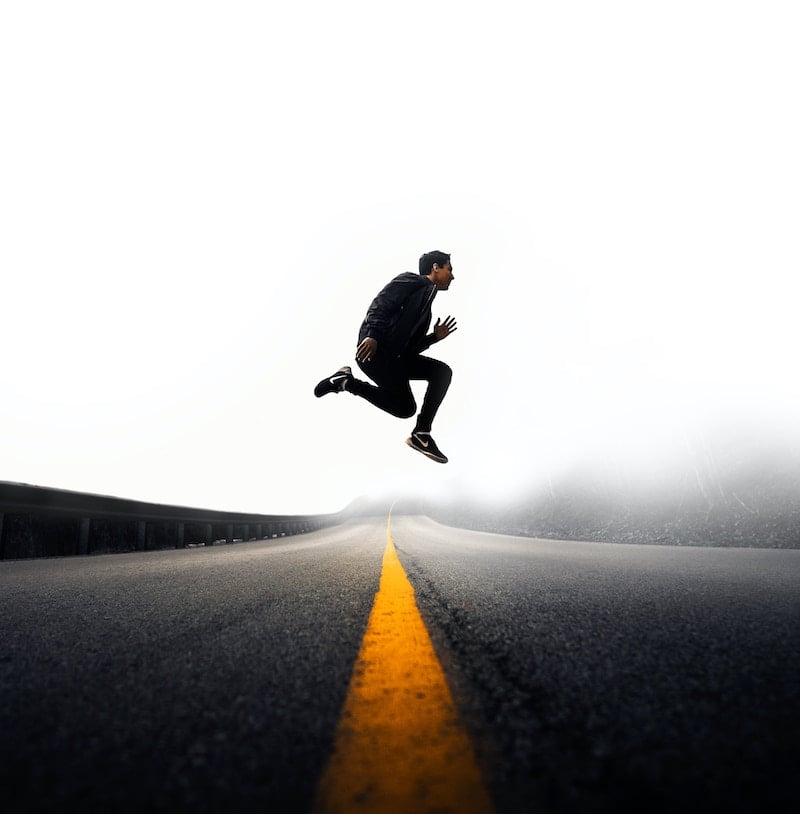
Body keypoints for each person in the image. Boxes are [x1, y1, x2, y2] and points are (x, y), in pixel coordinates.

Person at [314, 250, 458, 463]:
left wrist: (434, 338)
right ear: (435, 267)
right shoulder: (411, 280)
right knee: (407, 405)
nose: (453, 276)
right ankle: (346, 382)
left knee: (429, 384)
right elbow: (381, 304)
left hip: (397, 358)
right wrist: (372, 334)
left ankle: (421, 434)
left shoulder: (425, 308)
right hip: (376, 351)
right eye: (450, 269)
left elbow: (411, 349)